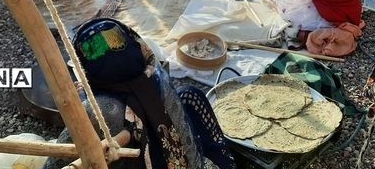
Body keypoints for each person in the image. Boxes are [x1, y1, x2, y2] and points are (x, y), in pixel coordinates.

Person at [42, 18, 236, 169]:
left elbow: (56, 162)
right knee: (188, 93)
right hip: (185, 162)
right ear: (139, 48)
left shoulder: (97, 110)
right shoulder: (154, 76)